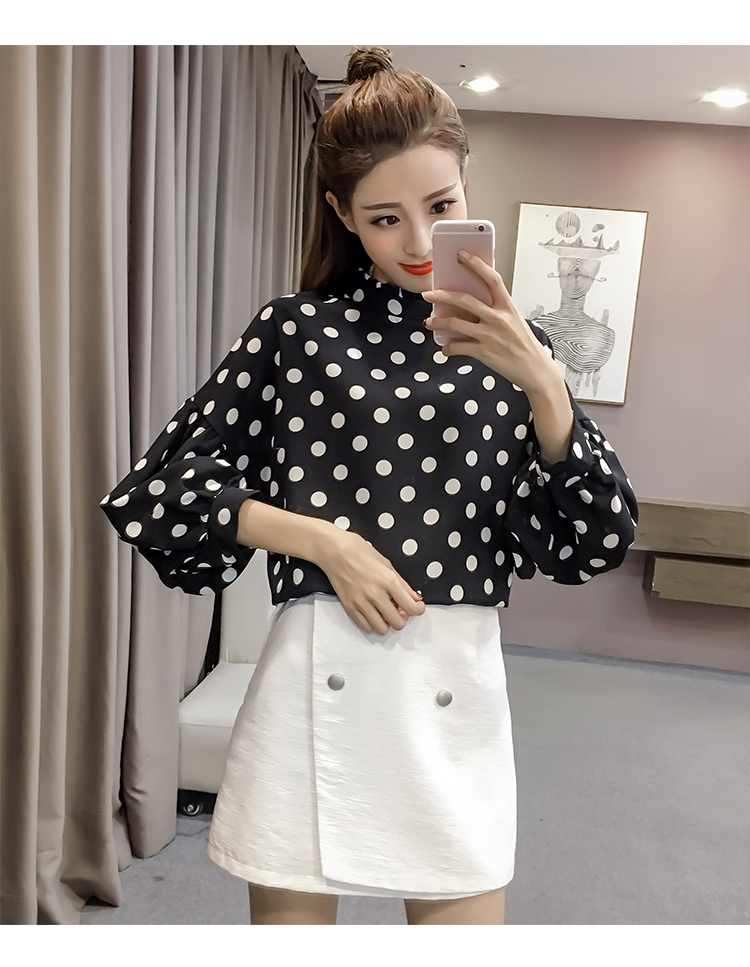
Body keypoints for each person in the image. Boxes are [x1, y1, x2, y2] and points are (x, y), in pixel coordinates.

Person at [100, 47, 638, 925]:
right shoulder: (295, 333)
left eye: (441, 207)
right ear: (341, 213)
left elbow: (594, 537)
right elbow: (159, 491)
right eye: (386, 218)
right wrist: (324, 541)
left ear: (466, 186)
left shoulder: (520, 347)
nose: (419, 243)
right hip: (314, 691)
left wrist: (545, 384)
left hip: (455, 696)